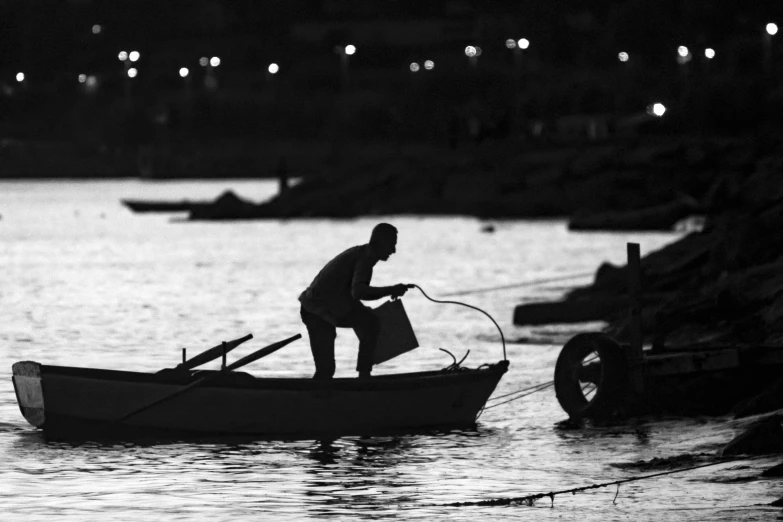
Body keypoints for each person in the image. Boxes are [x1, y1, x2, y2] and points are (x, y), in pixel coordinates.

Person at [299, 223, 411, 379]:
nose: (393, 250)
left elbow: (349, 294)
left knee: (370, 321)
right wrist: (390, 290)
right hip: (315, 312)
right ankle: (361, 380)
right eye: (392, 245)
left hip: (328, 307)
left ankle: (364, 376)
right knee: (325, 370)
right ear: (381, 243)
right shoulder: (364, 259)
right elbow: (358, 292)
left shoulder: (363, 255)